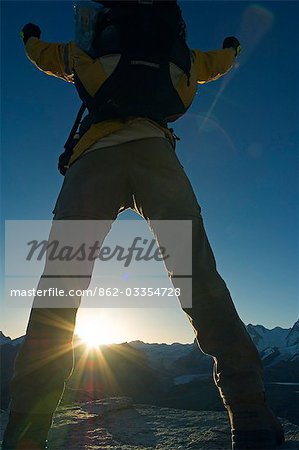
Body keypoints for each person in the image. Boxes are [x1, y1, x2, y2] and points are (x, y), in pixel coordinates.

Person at [2, 1, 284, 449]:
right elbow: (217, 65)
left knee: (61, 285)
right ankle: (249, 408)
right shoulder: (181, 55)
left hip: (93, 159)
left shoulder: (87, 45)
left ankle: (27, 426)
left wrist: (28, 38)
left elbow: (44, 56)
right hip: (157, 155)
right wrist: (232, 47)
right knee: (197, 278)